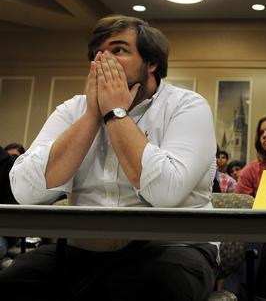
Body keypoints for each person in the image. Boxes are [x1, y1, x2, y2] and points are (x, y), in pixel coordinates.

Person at [2, 15, 218, 300]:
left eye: (118, 50)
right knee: (12, 283)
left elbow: (166, 193)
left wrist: (115, 113)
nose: (103, 61)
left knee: (140, 290)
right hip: (82, 250)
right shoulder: (72, 110)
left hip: (173, 247)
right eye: (97, 54)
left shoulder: (188, 106)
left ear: (151, 63)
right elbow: (25, 192)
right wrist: (93, 115)